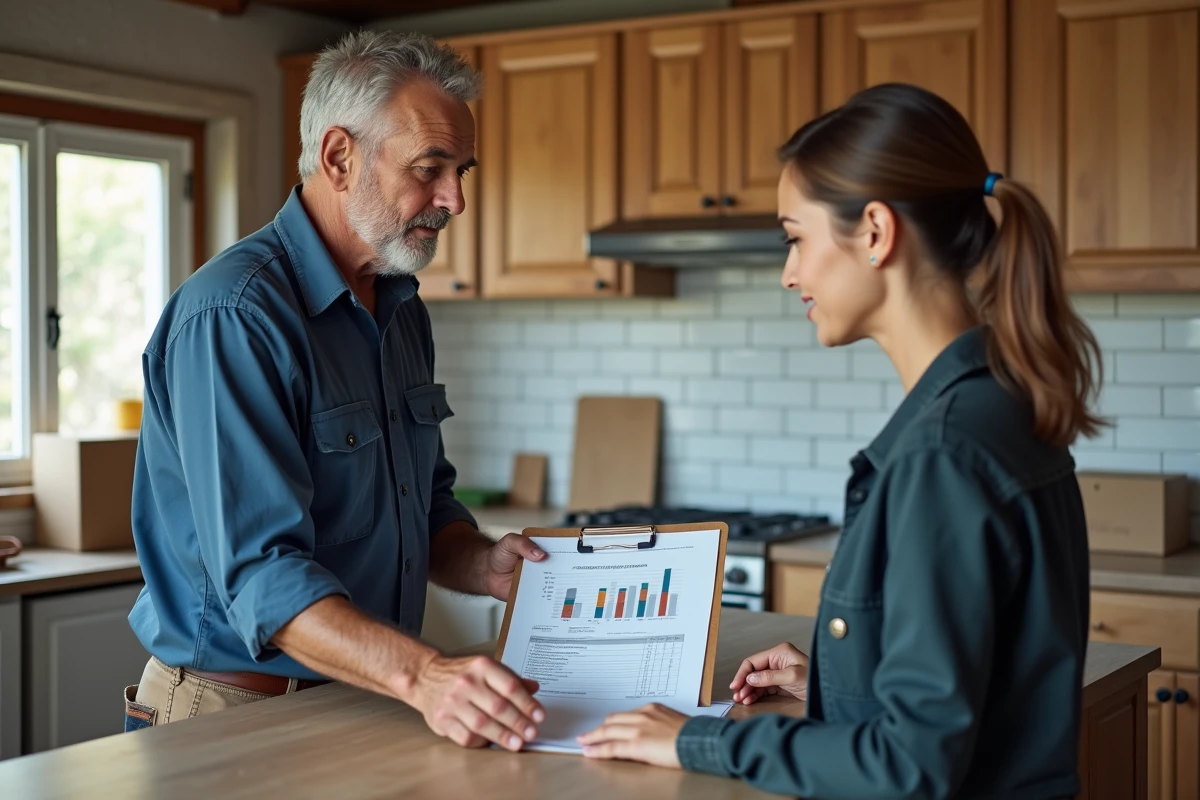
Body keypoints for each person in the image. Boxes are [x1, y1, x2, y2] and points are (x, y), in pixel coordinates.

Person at [577, 82, 1102, 799]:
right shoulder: (996, 405)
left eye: (795, 238)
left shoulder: (941, 453)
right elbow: (982, 683)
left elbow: (911, 767)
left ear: (877, 233)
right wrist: (836, 681)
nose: (789, 272)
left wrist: (699, 737)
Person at [124, 30, 548, 754]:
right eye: (431, 168)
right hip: (230, 714)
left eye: (462, 170)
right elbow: (263, 577)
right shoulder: (236, 315)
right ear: (339, 157)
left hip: (363, 699)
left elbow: (429, 507)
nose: (455, 199)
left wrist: (480, 563)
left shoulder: (401, 309)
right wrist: (426, 677)